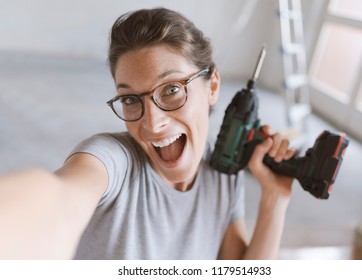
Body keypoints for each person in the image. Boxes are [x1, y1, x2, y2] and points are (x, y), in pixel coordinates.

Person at [0, 7, 295, 260]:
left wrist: (274, 199)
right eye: (130, 99)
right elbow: (60, 196)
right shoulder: (111, 160)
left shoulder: (222, 173)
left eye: (171, 90)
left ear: (213, 86)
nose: (152, 124)